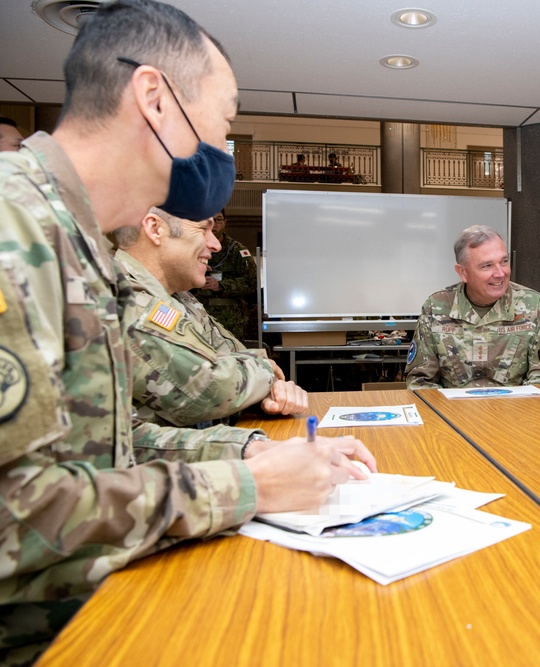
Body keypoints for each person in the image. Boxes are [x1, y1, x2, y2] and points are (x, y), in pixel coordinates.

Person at [0, 2, 374, 660]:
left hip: (97, 618)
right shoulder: (14, 231)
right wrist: (249, 487)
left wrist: (252, 452)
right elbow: (13, 518)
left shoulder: (76, 241)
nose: (225, 149)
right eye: (225, 121)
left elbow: (116, 444)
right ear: (154, 97)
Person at [115, 206, 308, 427]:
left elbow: (239, 356)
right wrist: (265, 375)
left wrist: (270, 387)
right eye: (203, 229)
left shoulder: (181, 298)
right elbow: (212, 390)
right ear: (155, 229)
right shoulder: (129, 302)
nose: (216, 244)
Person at [406, 225, 540, 388]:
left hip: (515, 411)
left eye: (504, 262)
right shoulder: (437, 307)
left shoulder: (534, 305)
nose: (500, 273)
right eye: (487, 266)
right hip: (452, 411)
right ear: (463, 272)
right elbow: (420, 382)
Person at [194, 209, 258, 342]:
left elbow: (252, 282)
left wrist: (221, 286)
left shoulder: (237, 251)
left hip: (230, 319)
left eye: (218, 220)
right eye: (210, 221)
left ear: (224, 223)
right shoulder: (193, 248)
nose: (214, 225)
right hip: (198, 315)